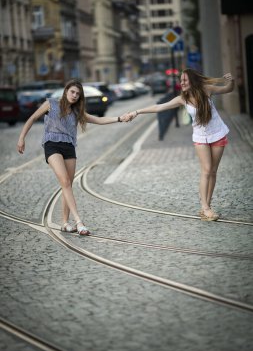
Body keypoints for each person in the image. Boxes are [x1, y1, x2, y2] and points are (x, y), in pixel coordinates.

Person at [17, 79, 130, 235]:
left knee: (67, 185)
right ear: (66, 91)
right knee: (64, 181)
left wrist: (119, 118)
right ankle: (79, 221)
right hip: (52, 145)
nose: (75, 95)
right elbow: (32, 118)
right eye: (72, 92)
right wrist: (22, 137)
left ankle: (64, 222)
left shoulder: (77, 112)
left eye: (78, 94)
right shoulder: (51, 104)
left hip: (69, 147)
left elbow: (98, 120)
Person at [123, 68, 235, 221]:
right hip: (201, 137)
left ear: (193, 81)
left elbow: (228, 89)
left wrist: (231, 81)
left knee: (213, 172)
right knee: (206, 170)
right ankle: (205, 207)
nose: (181, 83)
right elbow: (158, 107)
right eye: (181, 80)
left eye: (184, 80)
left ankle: (207, 207)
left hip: (218, 133)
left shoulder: (206, 89)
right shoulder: (182, 98)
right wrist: (136, 112)